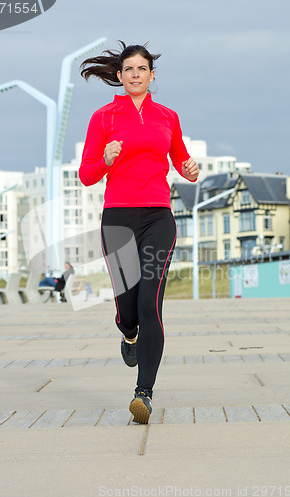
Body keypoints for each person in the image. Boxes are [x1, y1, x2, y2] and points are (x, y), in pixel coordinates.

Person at [79, 41, 199, 424]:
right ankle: (127, 332)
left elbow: (179, 158)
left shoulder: (168, 116)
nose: (134, 74)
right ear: (119, 76)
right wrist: (106, 159)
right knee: (128, 307)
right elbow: (86, 174)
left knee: (151, 301)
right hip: (117, 218)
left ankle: (143, 393)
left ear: (151, 75)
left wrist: (190, 169)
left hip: (158, 217)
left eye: (141, 69)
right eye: (128, 69)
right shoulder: (103, 117)